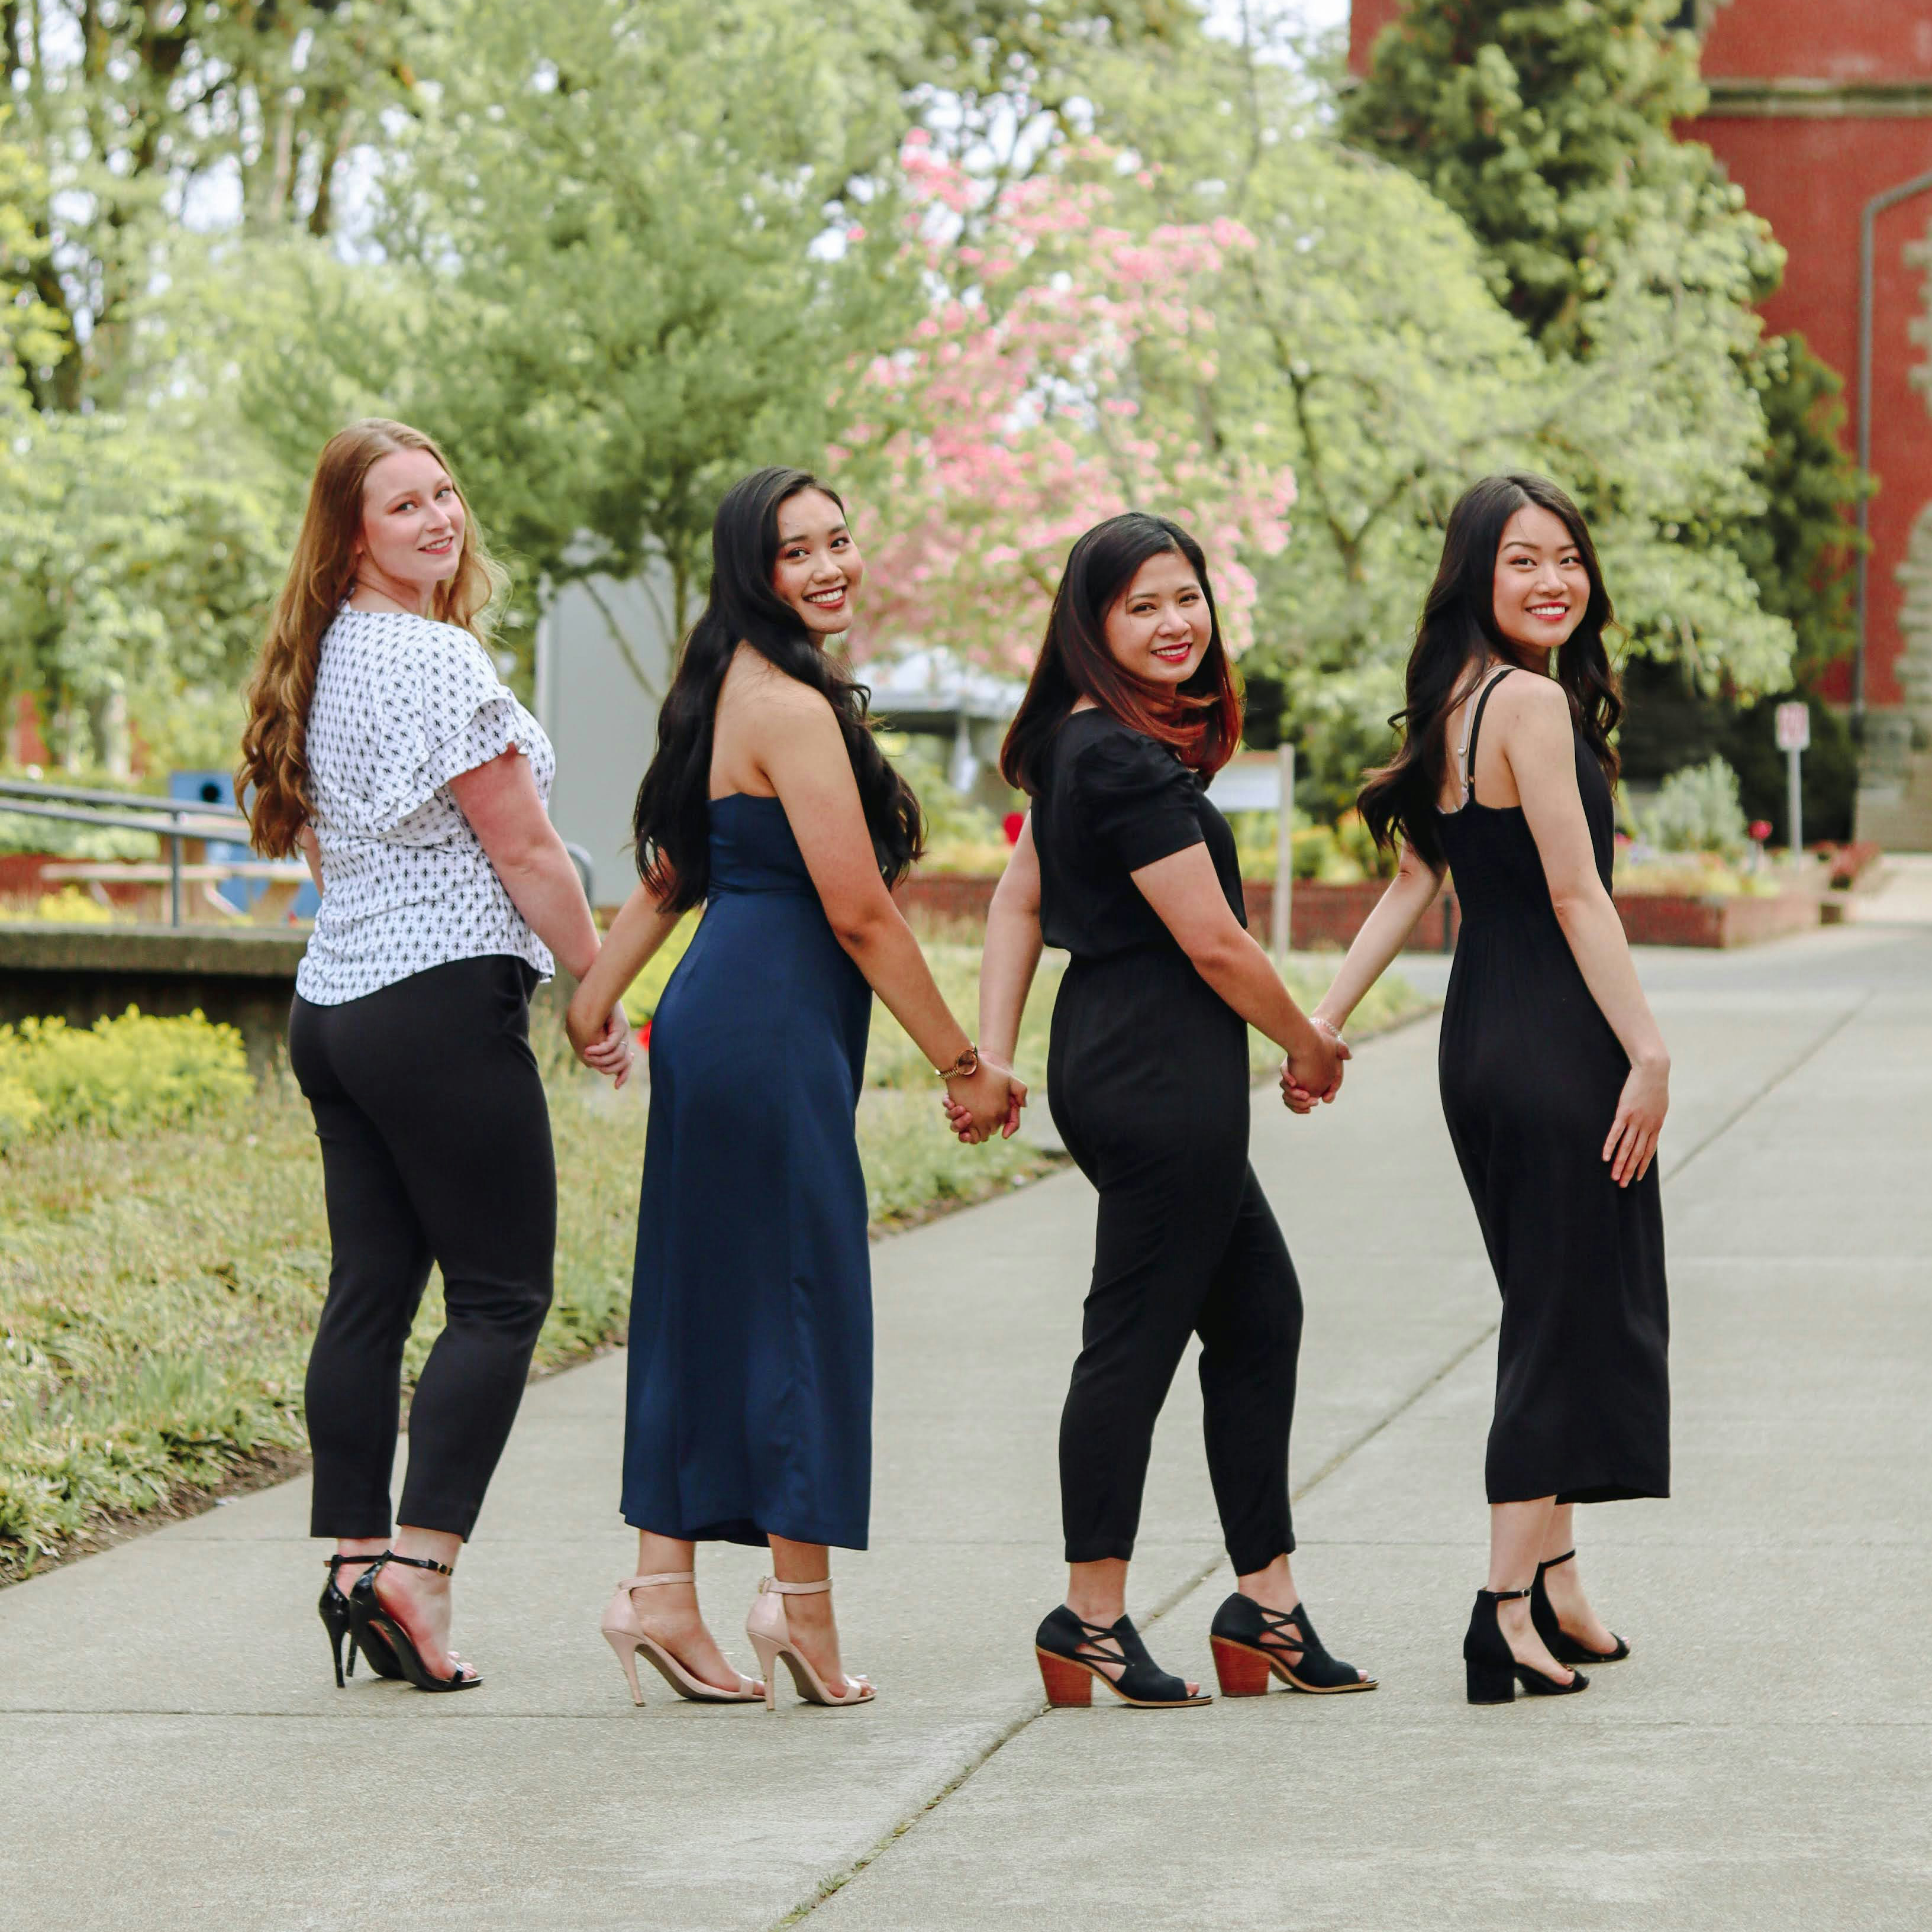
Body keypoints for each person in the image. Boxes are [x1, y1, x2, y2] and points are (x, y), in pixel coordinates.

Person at [567, 466, 1019, 1712]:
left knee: (701, 1300)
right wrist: (964, 1064)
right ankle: (800, 1611)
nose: (828, 566)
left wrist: (593, 995)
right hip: (767, 1032)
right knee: (804, 1303)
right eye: (796, 551)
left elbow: (671, 874)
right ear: (750, 570)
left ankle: (662, 1589)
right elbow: (862, 913)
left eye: (839, 540)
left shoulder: (727, 687)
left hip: (718, 1024)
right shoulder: (791, 704)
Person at [238, 418, 633, 1695]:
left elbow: (325, 844)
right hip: (435, 1001)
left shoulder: (324, 657)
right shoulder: (432, 656)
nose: (439, 518)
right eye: (405, 505)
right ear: (353, 534)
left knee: (370, 1288)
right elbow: (525, 852)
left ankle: (356, 1560)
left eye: (446, 494)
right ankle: (419, 1574)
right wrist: (601, 985)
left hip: (336, 1010)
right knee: (503, 1294)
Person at [960, 511, 1373, 1710]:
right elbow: (1213, 940)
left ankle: (1267, 1607)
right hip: (1157, 1069)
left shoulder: (1082, 747)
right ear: (1092, 629)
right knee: (1132, 1342)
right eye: (1140, 605)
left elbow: (1016, 905)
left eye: (1184, 596)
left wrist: (995, 1051)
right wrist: (1308, 1043)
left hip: (1122, 1056)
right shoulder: (1119, 761)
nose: (1173, 621)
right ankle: (1089, 1617)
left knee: (1257, 1318)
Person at [1308, 472, 1670, 1705]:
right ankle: (1499, 1609)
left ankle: (1557, 1578)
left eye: (1567, 556)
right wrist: (1651, 1052)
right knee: (1563, 1324)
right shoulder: (1526, 704)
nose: (1553, 580)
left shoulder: (1457, 697)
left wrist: (1322, 1023)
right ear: (1476, 575)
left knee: (1553, 1299)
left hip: (1484, 1039)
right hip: (1557, 1040)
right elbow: (1578, 898)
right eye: (1522, 560)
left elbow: (1412, 887)